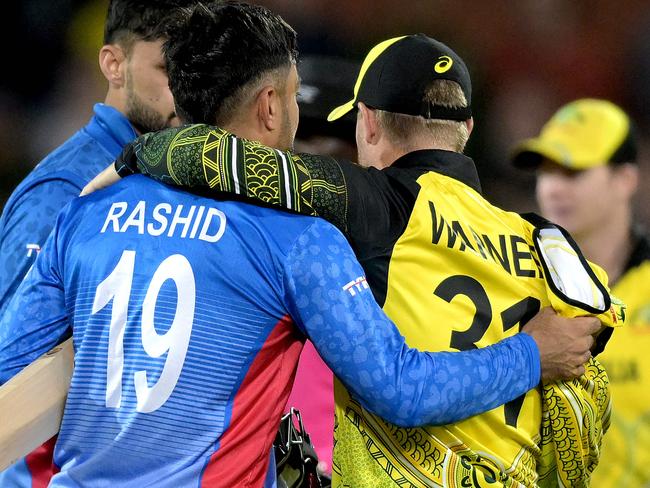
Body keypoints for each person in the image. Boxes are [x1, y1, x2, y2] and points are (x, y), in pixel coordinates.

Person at [0, 4, 589, 487]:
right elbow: (402, 390)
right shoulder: (299, 240)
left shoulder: (86, 211)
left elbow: (11, 368)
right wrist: (531, 354)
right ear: (272, 106)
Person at [0, 1, 193, 486]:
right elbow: (10, 370)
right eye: (170, 70)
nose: (189, 92)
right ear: (113, 64)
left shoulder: (169, 178)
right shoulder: (63, 190)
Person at [511, 98, 650, 487]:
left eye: (572, 171)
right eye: (545, 170)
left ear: (624, 180)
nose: (553, 187)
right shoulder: (515, 284)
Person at [285, 54, 360, 477]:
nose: (305, 159)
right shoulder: (242, 251)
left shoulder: (390, 268)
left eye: (327, 138)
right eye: (297, 138)